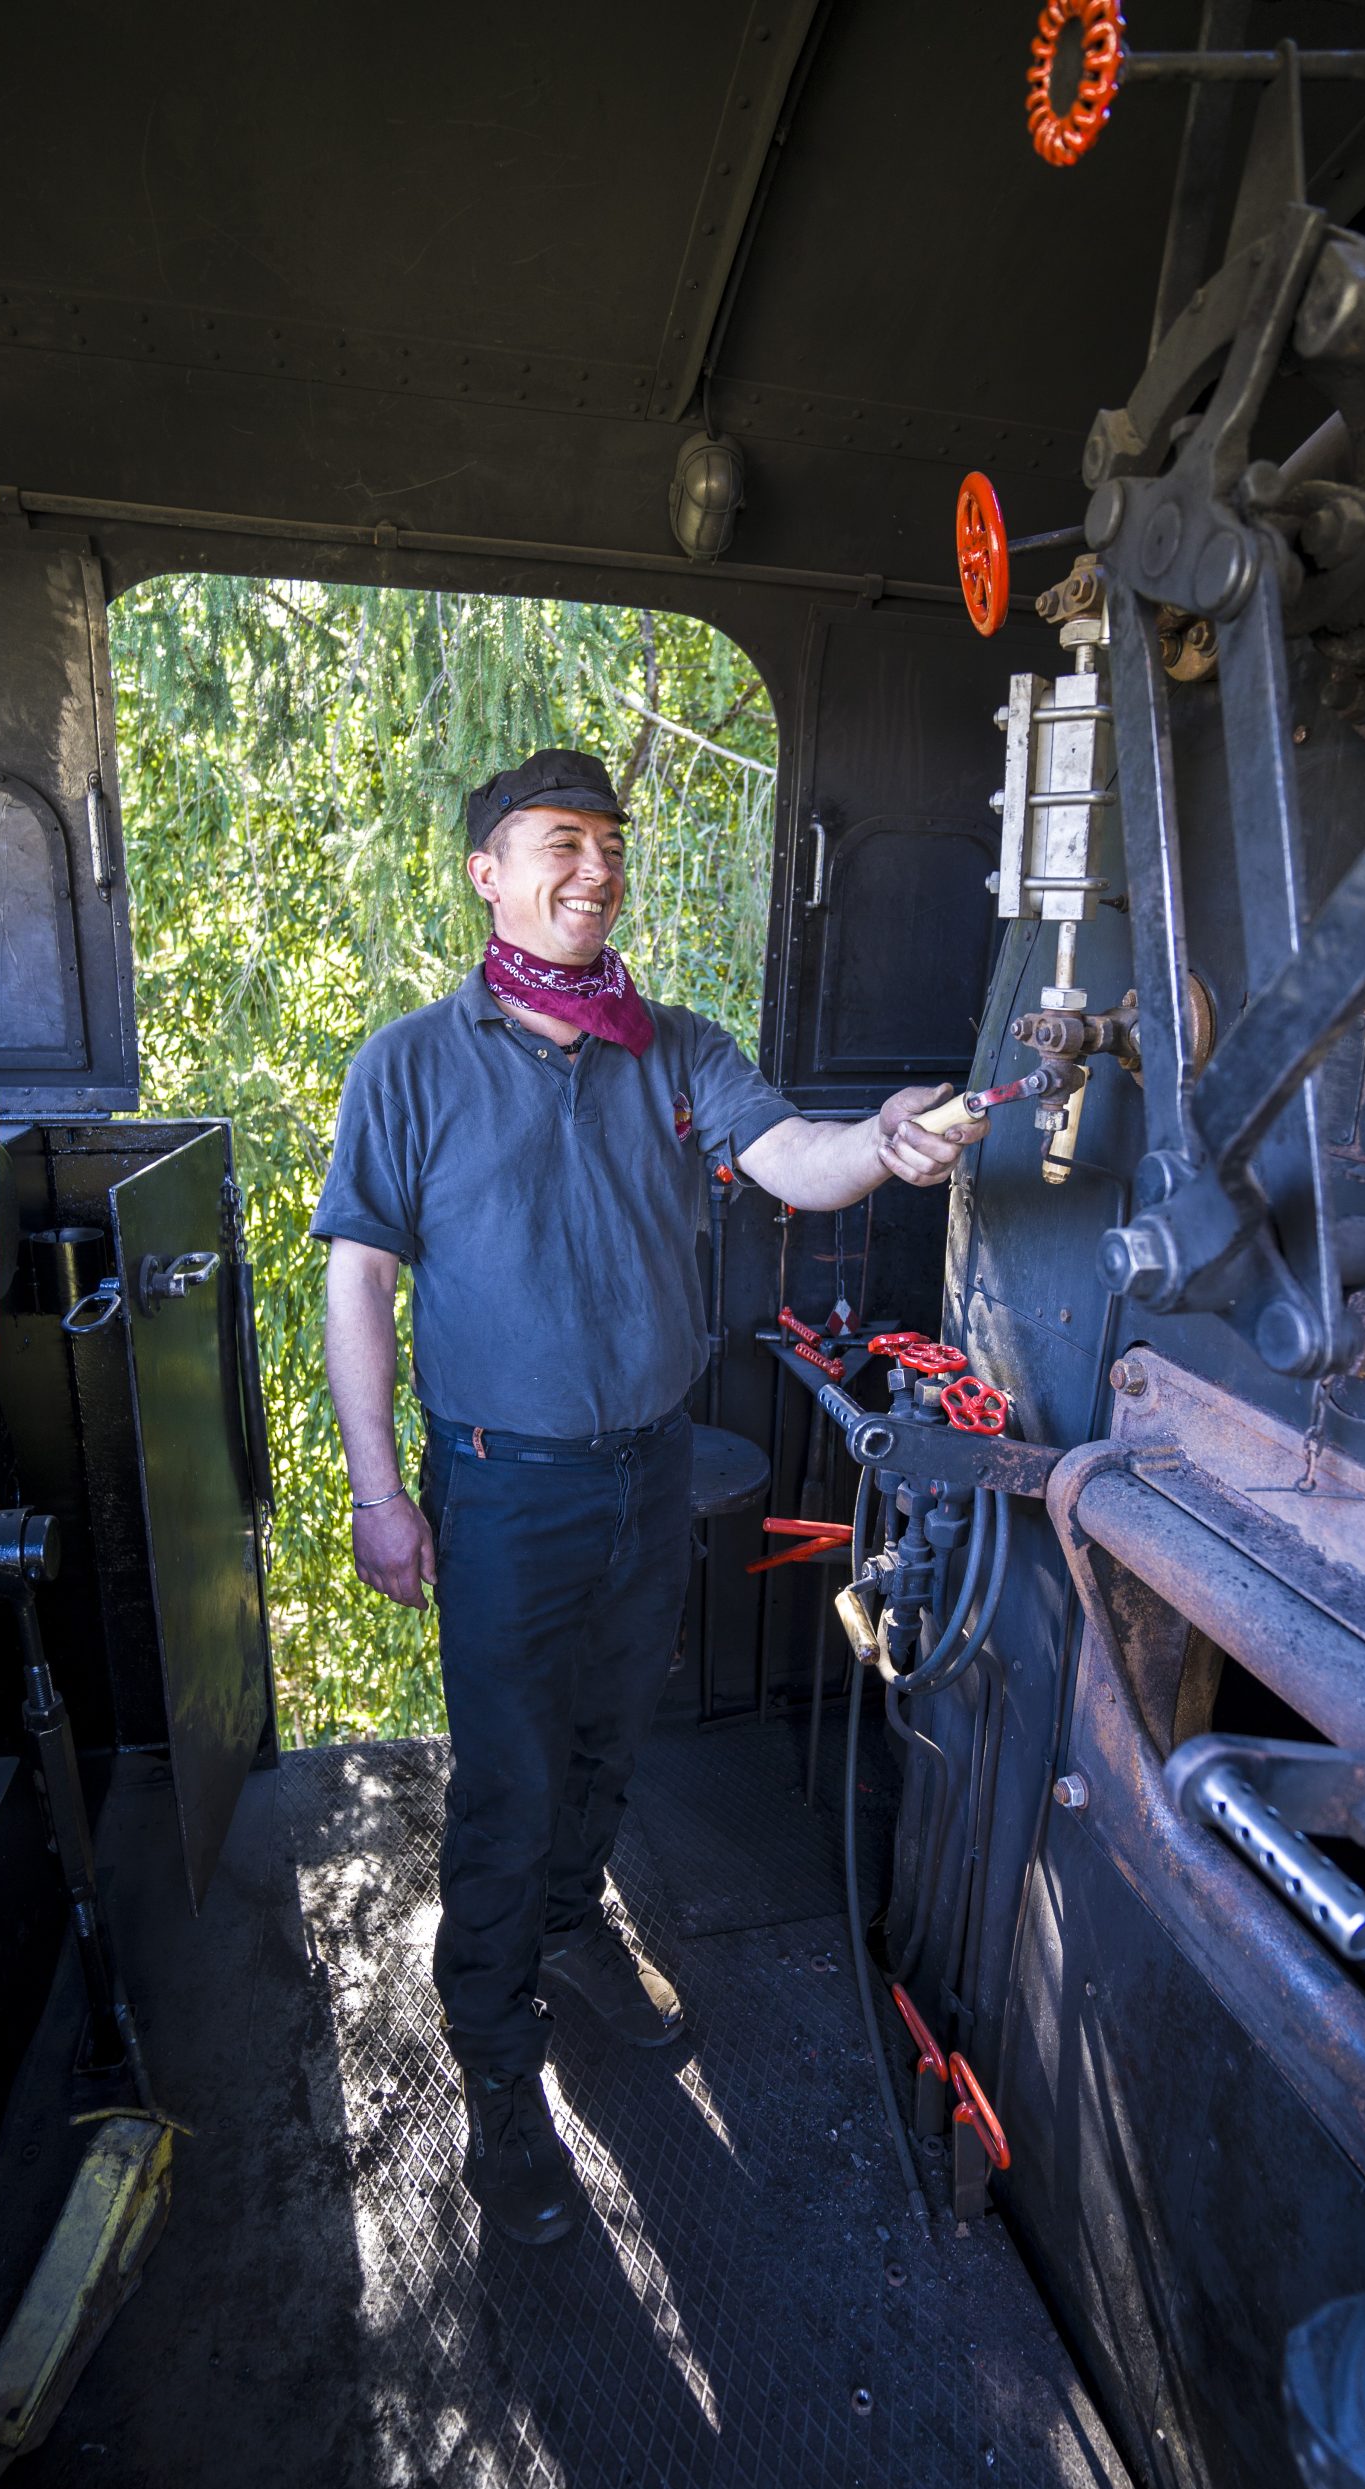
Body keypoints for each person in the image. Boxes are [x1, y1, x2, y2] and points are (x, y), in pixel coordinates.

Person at [313, 747, 976, 2245]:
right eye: (562, 843)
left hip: (645, 1472)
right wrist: (375, 1494)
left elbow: (794, 1156)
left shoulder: (673, 1047)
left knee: (615, 1740)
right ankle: (498, 2073)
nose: (595, 871)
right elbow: (358, 1282)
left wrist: (884, 1144)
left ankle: (570, 1932)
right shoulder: (408, 1063)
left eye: (611, 846)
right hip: (499, 1491)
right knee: (507, 1781)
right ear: (489, 870)